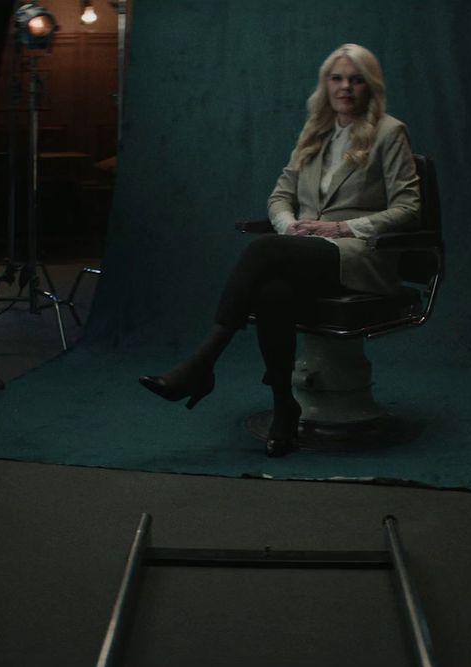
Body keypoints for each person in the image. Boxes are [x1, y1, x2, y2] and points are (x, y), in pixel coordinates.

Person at [138, 43, 421, 457]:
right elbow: (279, 197)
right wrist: (291, 228)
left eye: (356, 79)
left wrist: (341, 226)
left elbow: (409, 208)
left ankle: (202, 364)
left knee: (264, 252)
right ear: (326, 85)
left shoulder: (390, 133)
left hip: (358, 255)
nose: (345, 87)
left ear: (370, 87)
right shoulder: (314, 134)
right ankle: (284, 408)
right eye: (337, 78)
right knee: (272, 292)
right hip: (307, 252)